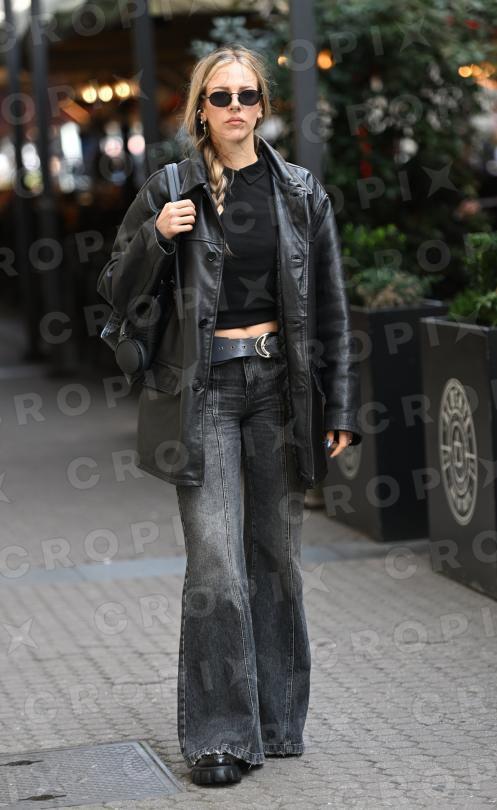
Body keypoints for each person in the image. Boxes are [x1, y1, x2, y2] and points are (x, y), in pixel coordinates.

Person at [97, 43, 362, 787]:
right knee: (215, 560)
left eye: (248, 95)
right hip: (203, 391)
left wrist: (341, 405)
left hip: (279, 390)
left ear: (263, 106)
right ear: (200, 111)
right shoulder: (170, 189)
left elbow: (332, 307)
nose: (236, 107)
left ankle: (274, 723)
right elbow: (114, 289)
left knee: (274, 558)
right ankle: (219, 736)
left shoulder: (300, 193)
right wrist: (157, 237)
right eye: (221, 96)